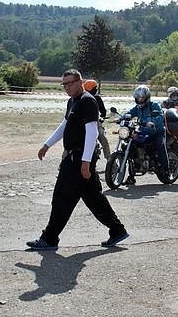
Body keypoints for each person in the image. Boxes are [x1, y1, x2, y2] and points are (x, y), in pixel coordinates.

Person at [26, 69, 128, 250]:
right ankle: (117, 229)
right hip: (75, 156)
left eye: (70, 83)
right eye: (64, 84)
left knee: (61, 197)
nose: (67, 87)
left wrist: (85, 162)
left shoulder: (88, 101)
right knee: (93, 198)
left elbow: (92, 133)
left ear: (80, 82)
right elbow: (65, 125)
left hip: (79, 159)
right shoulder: (73, 102)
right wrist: (47, 144)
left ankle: (49, 238)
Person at [124, 84, 170, 183]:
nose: (140, 100)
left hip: (157, 132)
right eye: (138, 98)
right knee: (130, 145)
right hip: (144, 131)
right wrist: (121, 118)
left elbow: (160, 116)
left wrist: (152, 122)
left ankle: (167, 170)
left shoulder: (154, 105)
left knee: (160, 146)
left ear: (147, 97)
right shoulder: (137, 108)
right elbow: (129, 113)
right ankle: (131, 176)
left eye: (142, 98)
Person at [83, 79, 110, 159]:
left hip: (95, 122)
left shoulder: (96, 98)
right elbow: (103, 111)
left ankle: (110, 161)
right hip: (87, 122)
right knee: (103, 139)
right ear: (94, 89)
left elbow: (103, 111)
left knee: (102, 138)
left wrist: (102, 118)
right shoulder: (83, 98)